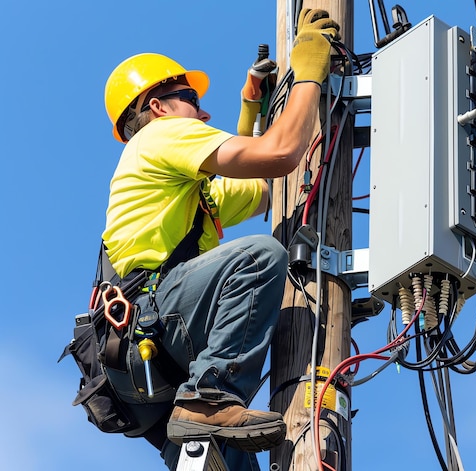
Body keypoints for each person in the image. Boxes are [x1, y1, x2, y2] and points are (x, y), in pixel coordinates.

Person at [100, 8, 339, 471]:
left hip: (150, 366)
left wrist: (253, 110)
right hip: (156, 321)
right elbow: (281, 154)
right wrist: (308, 73)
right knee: (258, 257)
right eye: (190, 96)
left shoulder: (179, 183)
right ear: (158, 106)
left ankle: (205, 404)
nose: (203, 111)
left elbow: (261, 188)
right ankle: (210, 396)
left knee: (230, 461)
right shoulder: (162, 137)